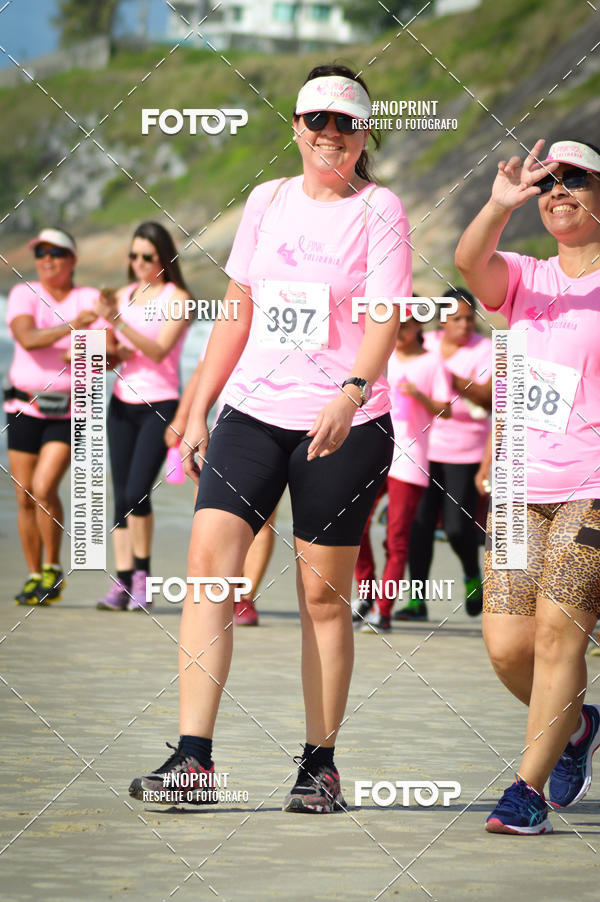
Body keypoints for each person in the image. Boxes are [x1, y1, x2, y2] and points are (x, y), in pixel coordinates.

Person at [128, 63, 411, 813]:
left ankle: (319, 765)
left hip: (341, 424)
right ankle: (194, 760)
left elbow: (384, 316)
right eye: (316, 120)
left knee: (322, 597)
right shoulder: (266, 199)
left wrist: (353, 392)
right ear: (295, 126)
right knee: (208, 569)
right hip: (252, 413)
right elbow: (239, 308)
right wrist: (195, 406)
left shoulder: (381, 209)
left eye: (345, 124)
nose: (329, 135)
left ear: (363, 135)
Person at [455, 137, 600, 835]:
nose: (559, 190)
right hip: (519, 487)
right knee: (507, 647)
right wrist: (498, 205)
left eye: (578, 179)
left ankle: (526, 791)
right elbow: (467, 263)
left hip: (594, 486)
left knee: (555, 632)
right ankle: (577, 729)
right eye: (550, 181)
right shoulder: (525, 276)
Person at [4, 227, 111, 606]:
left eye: (58, 252)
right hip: (23, 407)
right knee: (23, 497)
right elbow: (28, 338)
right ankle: (35, 576)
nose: (48, 260)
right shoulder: (23, 292)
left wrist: (88, 350)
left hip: (70, 409)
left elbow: (106, 348)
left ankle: (52, 567)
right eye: (42, 253)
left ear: (73, 260)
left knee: (43, 486)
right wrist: (72, 328)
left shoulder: (90, 298)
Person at [93, 222, 192, 611]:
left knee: (137, 494)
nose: (137, 263)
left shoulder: (178, 298)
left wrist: (117, 321)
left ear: (164, 259)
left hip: (160, 405)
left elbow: (157, 351)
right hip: (120, 404)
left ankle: (143, 579)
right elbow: (112, 350)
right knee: (120, 498)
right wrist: (100, 343)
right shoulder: (122, 295)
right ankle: (122, 583)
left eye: (146, 257)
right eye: (132, 256)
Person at [353, 307, 452, 631]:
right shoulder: (379, 356)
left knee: (396, 538)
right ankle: (366, 593)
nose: (401, 331)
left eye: (407, 325)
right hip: (374, 452)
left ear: (418, 326)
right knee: (355, 526)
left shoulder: (432, 362)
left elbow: (446, 410)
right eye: (397, 324)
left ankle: (384, 611)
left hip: (410, 462)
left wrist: (420, 396)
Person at [400, 289, 492, 621]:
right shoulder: (425, 342)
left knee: (457, 528)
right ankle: (416, 601)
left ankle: (471, 577)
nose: (465, 324)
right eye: (457, 318)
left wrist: (447, 376)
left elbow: (489, 399)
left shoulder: (485, 350)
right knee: (419, 525)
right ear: (442, 320)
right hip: (421, 448)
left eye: (470, 318)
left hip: (465, 451)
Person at [165, 356, 277, 626]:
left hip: (273, 423)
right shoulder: (228, 322)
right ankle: (221, 591)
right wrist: (183, 418)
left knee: (264, 521)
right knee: (209, 514)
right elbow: (202, 374)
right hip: (225, 429)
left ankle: (245, 597)